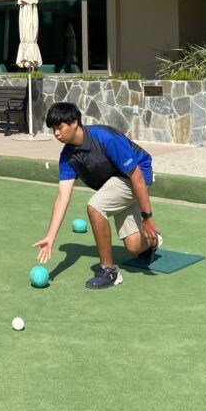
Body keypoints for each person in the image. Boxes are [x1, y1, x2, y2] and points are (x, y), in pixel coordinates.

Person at [32, 102, 162, 289]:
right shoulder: (68, 157)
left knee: (95, 206)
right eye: (53, 129)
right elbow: (62, 197)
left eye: (59, 127)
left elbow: (137, 176)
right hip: (114, 184)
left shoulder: (105, 138)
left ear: (74, 122)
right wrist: (50, 237)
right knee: (134, 246)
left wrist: (147, 217)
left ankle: (109, 270)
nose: (56, 134)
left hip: (136, 175)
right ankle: (154, 241)